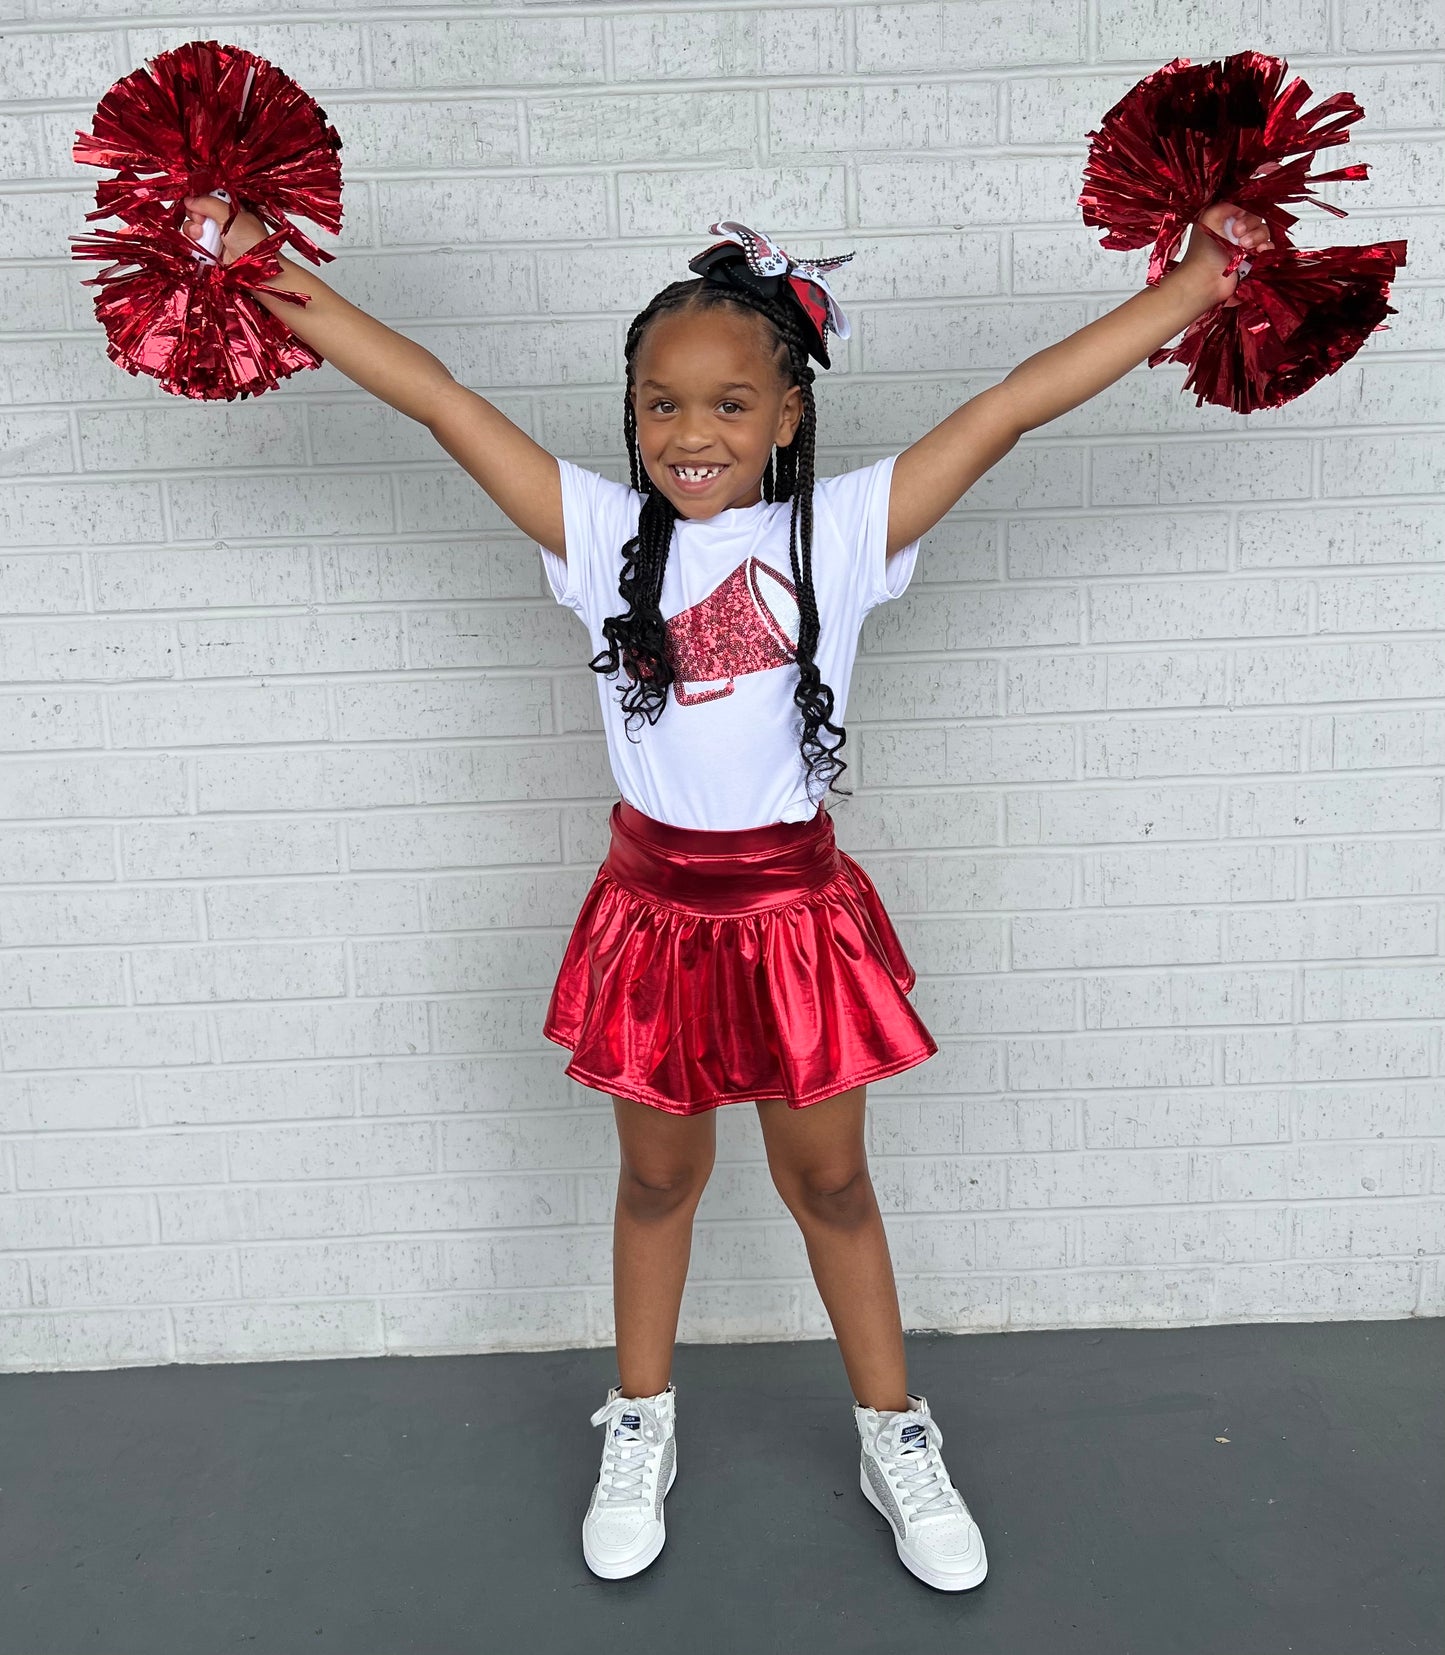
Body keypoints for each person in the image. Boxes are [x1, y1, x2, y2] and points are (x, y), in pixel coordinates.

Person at [180, 191, 1275, 1591]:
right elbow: (439, 402)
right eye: (659, 406)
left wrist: (1185, 293)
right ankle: (640, 1421)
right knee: (655, 1180)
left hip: (792, 918)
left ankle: (895, 1435)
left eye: (727, 405)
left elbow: (1008, 408)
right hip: (652, 917)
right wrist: (248, 263)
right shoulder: (589, 534)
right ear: (630, 417)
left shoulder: (842, 531)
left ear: (785, 418)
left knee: (828, 1182)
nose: (689, 434)